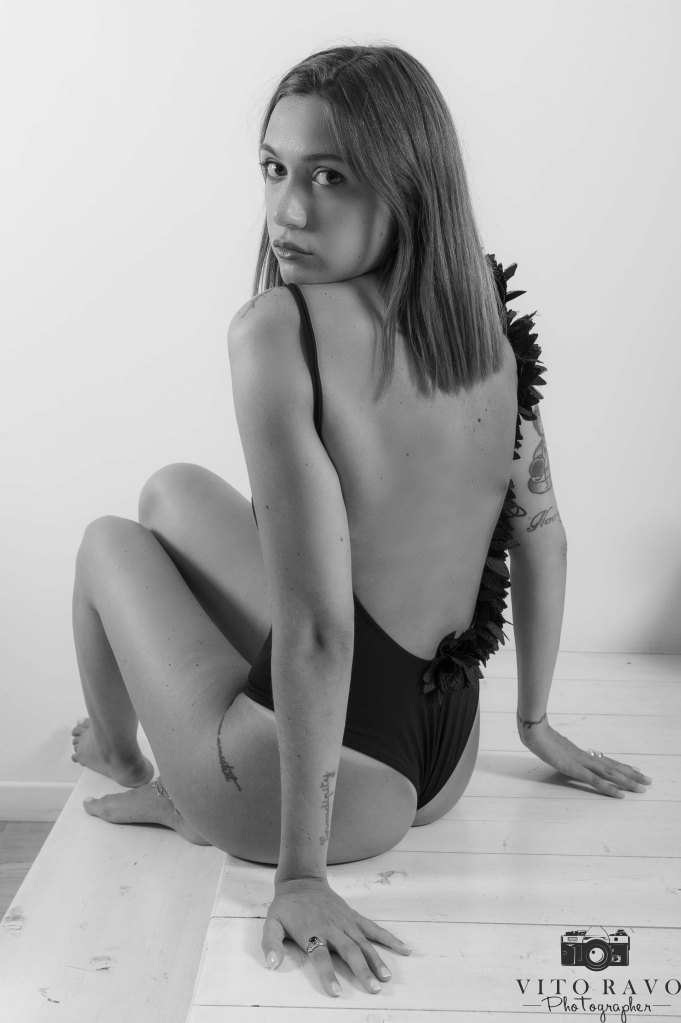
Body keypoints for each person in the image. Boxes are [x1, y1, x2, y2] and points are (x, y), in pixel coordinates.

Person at [70, 44, 652, 999]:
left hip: (317, 795)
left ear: (409, 185)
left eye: (330, 177)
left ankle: (124, 755)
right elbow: (542, 534)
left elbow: (316, 627)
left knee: (107, 541)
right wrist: (534, 724)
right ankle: (177, 770)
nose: (288, 212)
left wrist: (300, 874)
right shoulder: (484, 324)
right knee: (172, 490)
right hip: (443, 757)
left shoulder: (279, 330)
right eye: (275, 168)